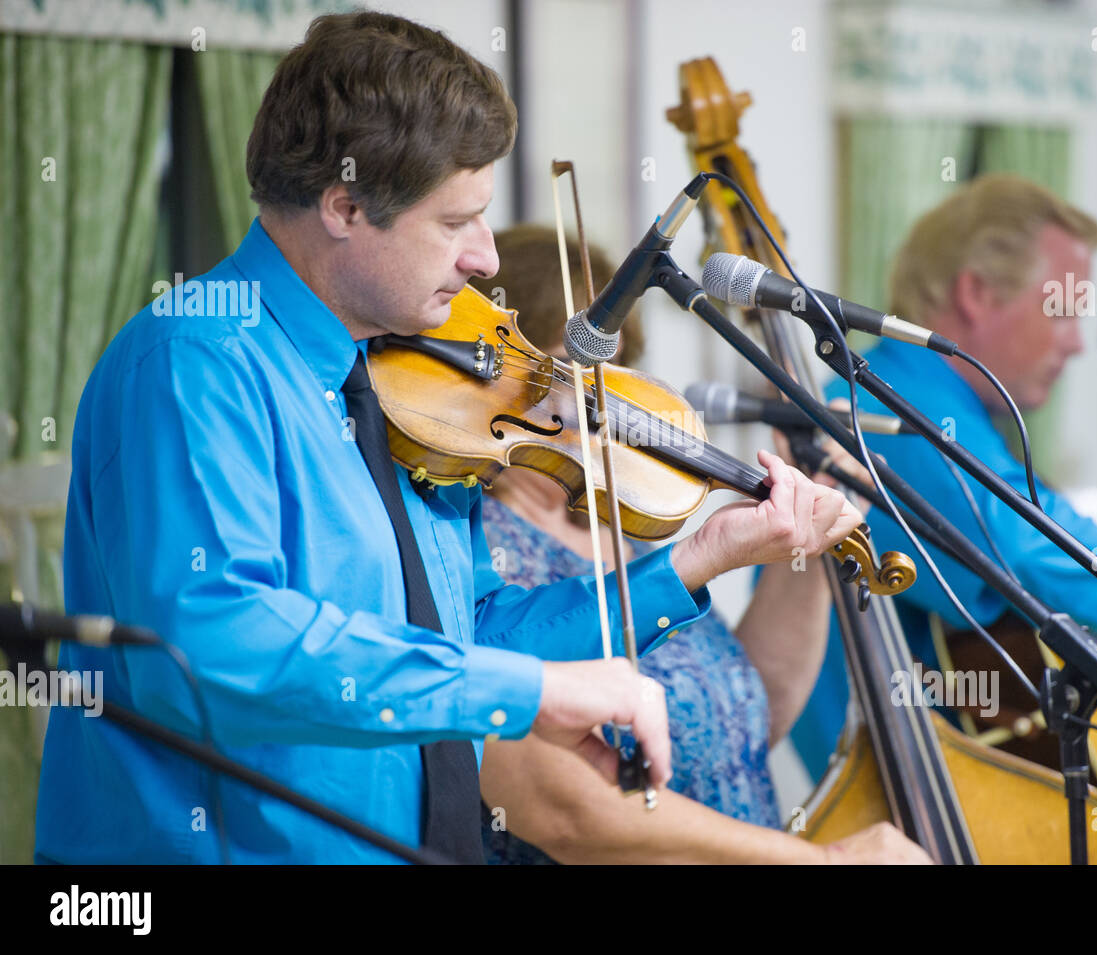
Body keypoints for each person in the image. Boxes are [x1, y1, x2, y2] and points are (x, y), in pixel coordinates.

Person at [34, 12, 865, 864]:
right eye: (454, 221)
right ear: (345, 205)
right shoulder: (195, 360)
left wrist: (697, 558)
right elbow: (212, 641)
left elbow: (468, 641)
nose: (486, 259)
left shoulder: (406, 392)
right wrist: (528, 691)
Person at [792, 173, 1097, 773]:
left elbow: (1037, 619)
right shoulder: (882, 403)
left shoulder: (947, 413)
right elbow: (1027, 545)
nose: (1078, 344)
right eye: (1063, 312)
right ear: (977, 294)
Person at [469, 225, 930, 864]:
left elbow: (744, 717)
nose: (601, 400)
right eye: (566, 366)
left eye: (612, 365)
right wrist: (822, 862)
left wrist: (804, 557)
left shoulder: (624, 533)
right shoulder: (474, 545)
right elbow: (564, 810)